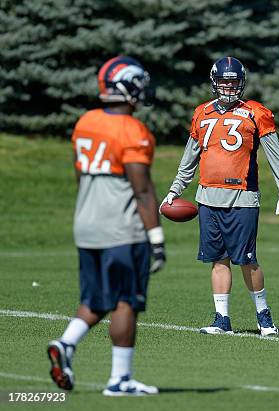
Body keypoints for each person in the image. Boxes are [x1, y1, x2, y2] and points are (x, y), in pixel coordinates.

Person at [47, 56, 165, 396]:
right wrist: (156, 238)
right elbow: (142, 189)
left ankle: (66, 344)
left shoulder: (85, 121)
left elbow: (79, 173)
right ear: (127, 86)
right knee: (126, 300)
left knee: (96, 298)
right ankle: (120, 379)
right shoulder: (133, 130)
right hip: (121, 227)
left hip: (86, 224)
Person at [161, 56, 279, 336]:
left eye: (234, 82)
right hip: (207, 197)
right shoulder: (202, 113)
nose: (229, 87)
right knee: (217, 259)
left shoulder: (256, 112)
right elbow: (189, 159)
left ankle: (263, 315)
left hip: (242, 196)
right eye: (224, 81)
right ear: (214, 82)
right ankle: (222, 319)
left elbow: (276, 157)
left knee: (247, 259)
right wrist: (175, 190)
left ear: (241, 83)